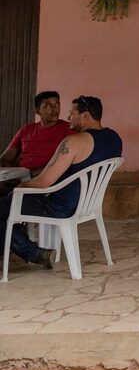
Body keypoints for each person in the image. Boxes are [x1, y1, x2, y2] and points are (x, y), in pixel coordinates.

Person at [0, 96, 122, 270]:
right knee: (5, 210)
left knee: (6, 205)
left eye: (72, 113)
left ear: (85, 116)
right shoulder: (114, 138)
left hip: (58, 206)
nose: (68, 117)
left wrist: (19, 188)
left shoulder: (74, 141)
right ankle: (18, 244)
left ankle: (34, 253)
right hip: (86, 204)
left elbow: (43, 182)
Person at [1, 91, 73, 195]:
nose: (55, 109)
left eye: (57, 104)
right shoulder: (26, 129)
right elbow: (5, 158)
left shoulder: (69, 129)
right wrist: (10, 176)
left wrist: (31, 174)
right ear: (37, 110)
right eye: (48, 106)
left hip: (44, 182)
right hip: (18, 178)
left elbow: (65, 164)